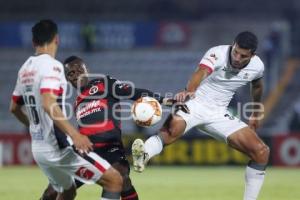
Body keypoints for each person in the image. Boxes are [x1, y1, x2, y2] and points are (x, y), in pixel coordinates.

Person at [132, 31, 270, 200]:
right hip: (194, 103)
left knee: (261, 152)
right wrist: (189, 91)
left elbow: (257, 87)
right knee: (171, 130)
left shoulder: (257, 66)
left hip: (219, 113)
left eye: (243, 56)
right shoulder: (217, 53)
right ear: (233, 44)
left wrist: (255, 114)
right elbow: (201, 72)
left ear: (252, 55)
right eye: (235, 52)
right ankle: (144, 153)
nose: (237, 58)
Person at [40, 55, 189, 200]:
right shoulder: (77, 102)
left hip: (110, 148)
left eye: (79, 70)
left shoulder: (103, 83)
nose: (76, 75)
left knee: (122, 178)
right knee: (51, 192)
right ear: (67, 79)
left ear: (87, 70)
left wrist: (165, 100)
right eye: (71, 73)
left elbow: (132, 92)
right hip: (85, 152)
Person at [9, 19, 122, 200]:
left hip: (39, 149)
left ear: (33, 42)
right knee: (114, 181)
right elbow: (48, 103)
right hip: (59, 149)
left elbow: (14, 108)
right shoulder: (52, 66)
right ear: (57, 39)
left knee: (68, 191)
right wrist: (75, 135)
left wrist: (34, 126)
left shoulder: (25, 69)